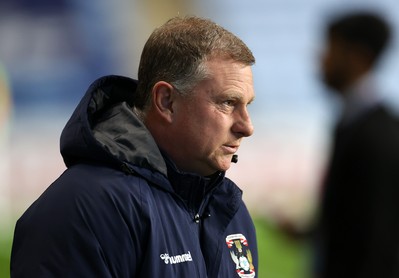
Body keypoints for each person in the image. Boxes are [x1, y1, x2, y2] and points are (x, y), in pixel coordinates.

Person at [10, 16, 258, 277]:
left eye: (247, 105)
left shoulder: (230, 212)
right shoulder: (83, 209)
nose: (246, 126)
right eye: (228, 103)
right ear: (166, 102)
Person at [314, 10, 399, 278]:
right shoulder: (353, 122)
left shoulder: (380, 136)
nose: (321, 59)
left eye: (331, 48)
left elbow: (378, 238)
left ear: (358, 56)